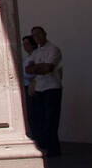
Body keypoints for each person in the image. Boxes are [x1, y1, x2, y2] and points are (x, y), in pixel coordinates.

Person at [24, 26, 63, 156]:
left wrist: (37, 68)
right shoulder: (36, 52)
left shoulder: (54, 49)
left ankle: (53, 149)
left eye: (39, 34)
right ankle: (45, 146)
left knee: (51, 119)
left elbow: (48, 68)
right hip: (39, 88)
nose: (37, 37)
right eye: (34, 36)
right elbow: (28, 69)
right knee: (40, 119)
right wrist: (38, 68)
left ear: (45, 34)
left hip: (52, 87)